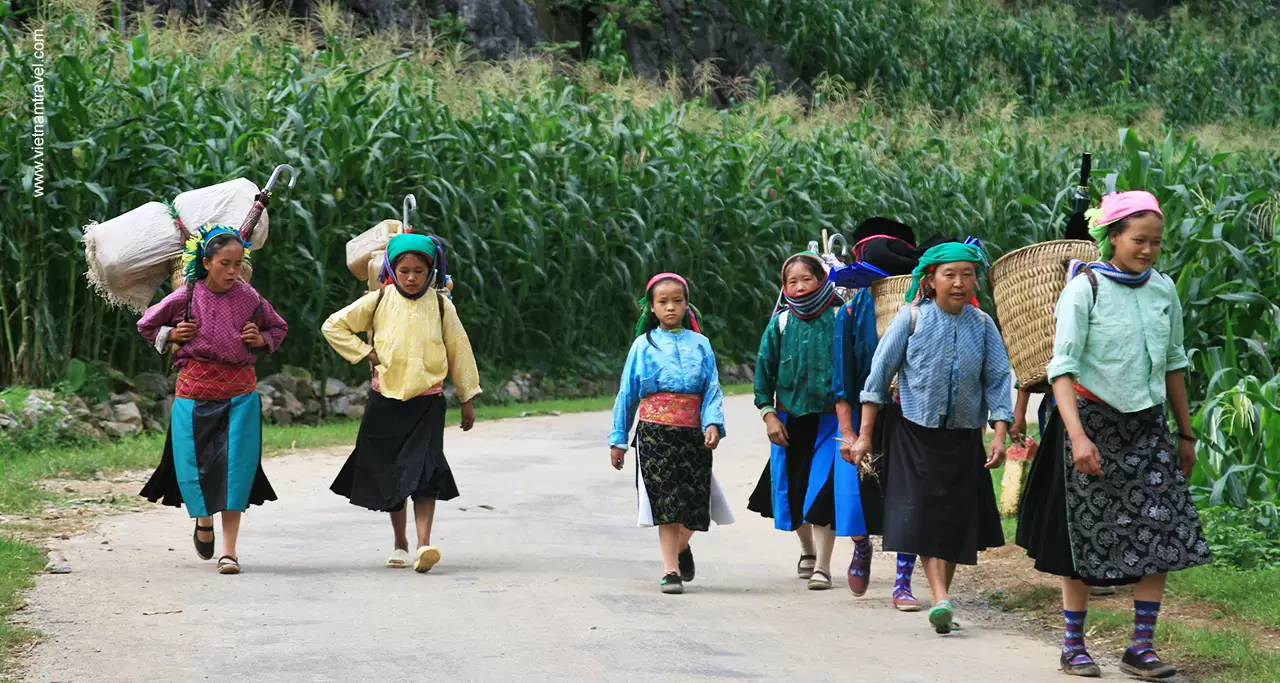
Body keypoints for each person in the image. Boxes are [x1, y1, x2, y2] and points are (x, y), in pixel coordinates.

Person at [1015, 191, 1210, 678]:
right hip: (1089, 420)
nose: (1147, 250)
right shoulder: (1086, 289)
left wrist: (1185, 435)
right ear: (1113, 237)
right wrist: (1078, 437)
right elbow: (1061, 370)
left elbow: (1173, 365)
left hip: (1146, 426)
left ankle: (1140, 648)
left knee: (1165, 533)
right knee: (1081, 540)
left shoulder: (1163, 290)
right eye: (1138, 240)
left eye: (1156, 243)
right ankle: (1073, 646)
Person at [849, 241, 1011, 634]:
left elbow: (999, 379)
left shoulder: (983, 324)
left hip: (961, 434)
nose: (958, 283)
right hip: (913, 430)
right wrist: (864, 436)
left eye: (967, 275)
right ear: (930, 280)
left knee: (954, 517)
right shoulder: (912, 318)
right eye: (949, 275)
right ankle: (940, 597)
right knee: (927, 513)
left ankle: (943, 599)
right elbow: (877, 377)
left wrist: (1000, 433)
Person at [322, 233, 481, 574]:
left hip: (428, 402)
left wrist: (467, 397)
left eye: (419, 271)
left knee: (425, 472)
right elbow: (334, 326)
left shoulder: (441, 305)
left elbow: (459, 348)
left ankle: (424, 544)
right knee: (392, 471)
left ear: (431, 271)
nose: (411, 277)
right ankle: (400, 543)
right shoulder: (378, 301)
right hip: (386, 400)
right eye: (404, 270)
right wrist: (365, 352)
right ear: (392, 270)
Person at [138, 224, 288, 575]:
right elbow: (146, 324)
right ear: (206, 262)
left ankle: (230, 552)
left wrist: (259, 337)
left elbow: (278, 328)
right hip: (194, 394)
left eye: (238, 264)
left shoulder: (250, 298)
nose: (233, 272)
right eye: (225, 264)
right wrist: (173, 333)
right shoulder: (186, 295)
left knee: (235, 472)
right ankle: (203, 521)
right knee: (195, 468)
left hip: (240, 397)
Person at [748, 252, 867, 590]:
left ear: (822, 280)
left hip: (832, 421)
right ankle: (807, 551)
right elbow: (763, 373)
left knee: (822, 493)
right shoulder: (781, 323)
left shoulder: (841, 317)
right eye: (791, 281)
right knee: (793, 493)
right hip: (789, 419)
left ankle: (824, 568)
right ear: (783, 287)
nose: (799, 287)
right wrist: (768, 415)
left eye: (807, 279)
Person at [609, 273, 733, 594]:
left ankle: (680, 547)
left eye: (677, 300)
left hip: (693, 434)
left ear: (687, 304)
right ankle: (670, 571)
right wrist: (618, 440)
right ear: (651, 307)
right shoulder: (643, 346)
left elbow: (712, 389)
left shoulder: (701, 344)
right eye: (662, 302)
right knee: (666, 502)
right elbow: (627, 394)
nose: (670, 307)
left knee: (695, 503)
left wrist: (712, 424)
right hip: (654, 434)